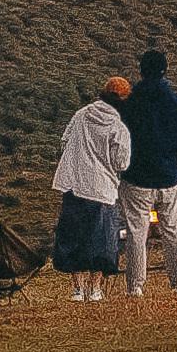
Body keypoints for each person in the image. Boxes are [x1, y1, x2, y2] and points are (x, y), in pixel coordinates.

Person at [117, 47, 177, 299]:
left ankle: (136, 287)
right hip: (169, 175)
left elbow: (121, 139)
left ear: (141, 70)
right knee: (173, 233)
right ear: (165, 70)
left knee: (136, 235)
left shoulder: (129, 103)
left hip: (137, 177)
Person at [50, 75, 132, 302]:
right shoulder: (118, 127)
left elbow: (65, 140)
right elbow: (122, 163)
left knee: (74, 238)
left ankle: (77, 289)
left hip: (75, 185)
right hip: (103, 189)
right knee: (102, 242)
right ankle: (95, 289)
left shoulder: (81, 115)